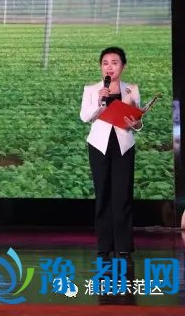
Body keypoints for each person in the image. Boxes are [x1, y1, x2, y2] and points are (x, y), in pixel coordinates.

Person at [80, 46, 142, 259]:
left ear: (123, 66)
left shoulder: (131, 89)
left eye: (114, 63)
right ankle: (104, 245)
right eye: (105, 63)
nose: (109, 67)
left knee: (122, 195)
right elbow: (85, 117)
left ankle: (123, 245)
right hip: (99, 145)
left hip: (124, 145)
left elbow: (137, 120)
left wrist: (136, 123)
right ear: (101, 67)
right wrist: (100, 102)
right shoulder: (91, 90)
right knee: (103, 194)